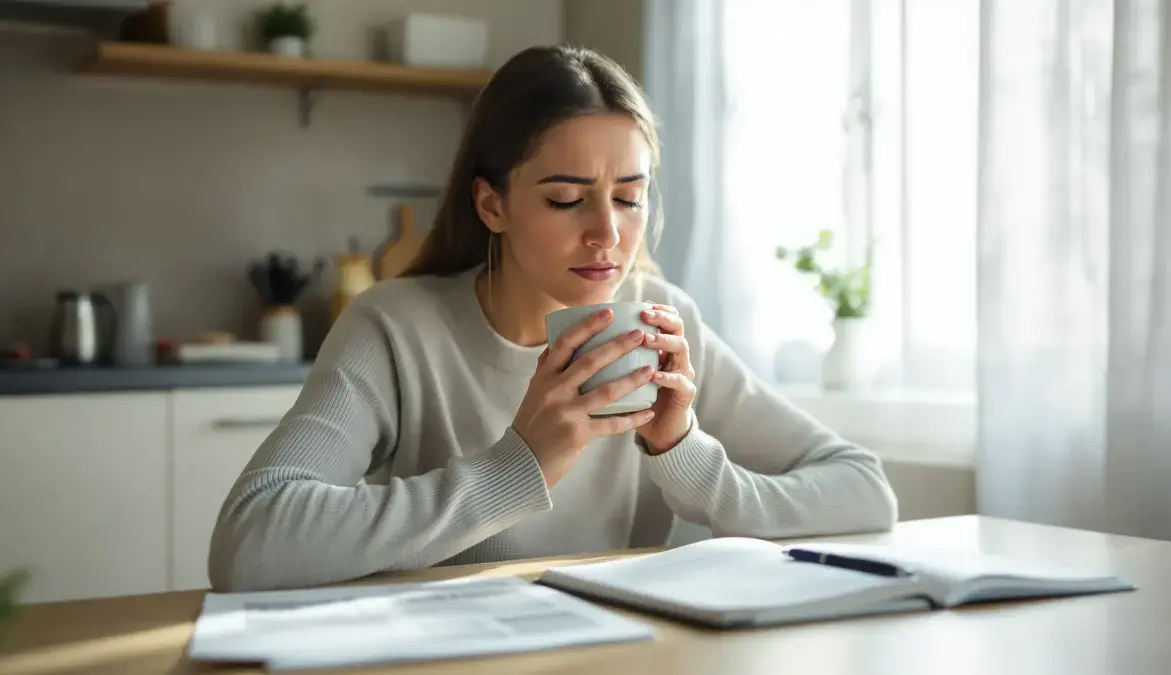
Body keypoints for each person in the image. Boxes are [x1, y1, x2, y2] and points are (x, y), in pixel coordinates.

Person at [208, 44, 898, 593]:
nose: (608, 234)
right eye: (567, 199)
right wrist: (520, 464)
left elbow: (863, 490)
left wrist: (682, 452)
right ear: (492, 205)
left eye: (629, 197)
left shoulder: (664, 321)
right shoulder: (396, 328)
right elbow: (250, 541)